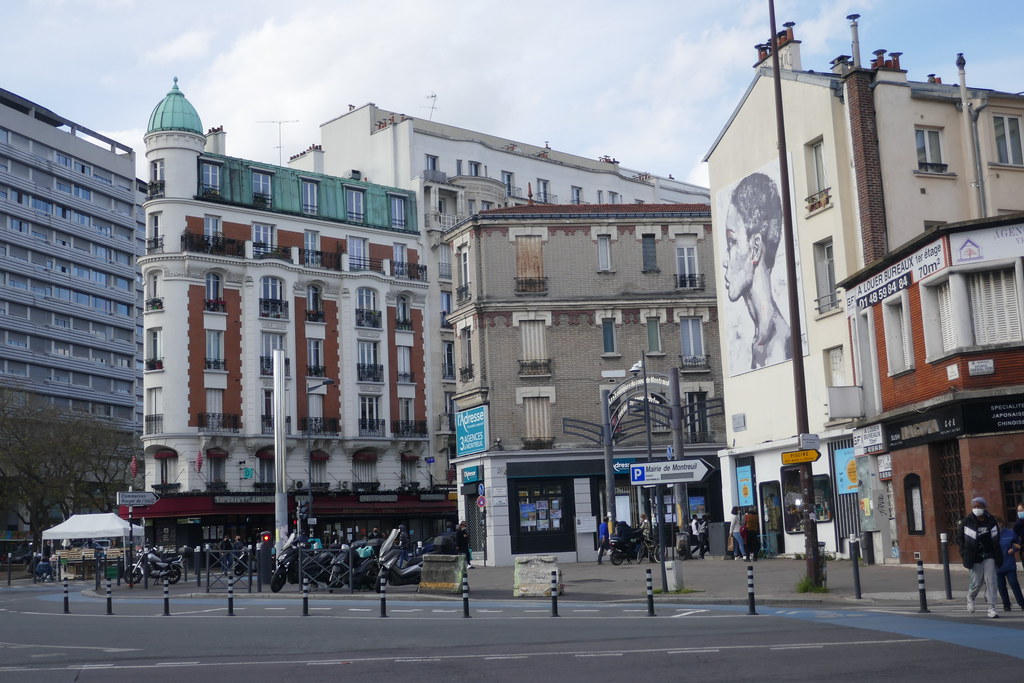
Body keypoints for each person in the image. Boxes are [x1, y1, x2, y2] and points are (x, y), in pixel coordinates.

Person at [721, 172, 791, 369]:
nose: (724, 261)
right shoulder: (754, 342)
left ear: (755, 248)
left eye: (732, 242)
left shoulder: (782, 346)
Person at [956, 496, 1003, 618]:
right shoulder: (967, 521)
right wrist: (963, 552)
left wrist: (997, 554)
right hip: (974, 556)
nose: (977, 508)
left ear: (984, 507)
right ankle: (971, 597)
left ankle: (992, 607)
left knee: (991, 581)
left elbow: (996, 538)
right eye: (974, 507)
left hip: (989, 555)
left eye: (979, 506)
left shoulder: (991, 520)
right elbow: (960, 538)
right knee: (976, 582)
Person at [995, 522, 1024, 612]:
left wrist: (1013, 549)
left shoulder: (1010, 533)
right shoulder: (991, 534)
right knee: (1001, 586)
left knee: (1014, 583)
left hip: (1009, 564)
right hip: (997, 566)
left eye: (997, 523)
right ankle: (1006, 604)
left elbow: (1018, 544)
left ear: (1001, 523)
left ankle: (1022, 603)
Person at [1015, 504, 1024, 571]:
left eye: (1021, 510)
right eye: (1018, 511)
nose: (1019, 512)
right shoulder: (1017, 524)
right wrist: (1019, 545)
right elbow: (1014, 537)